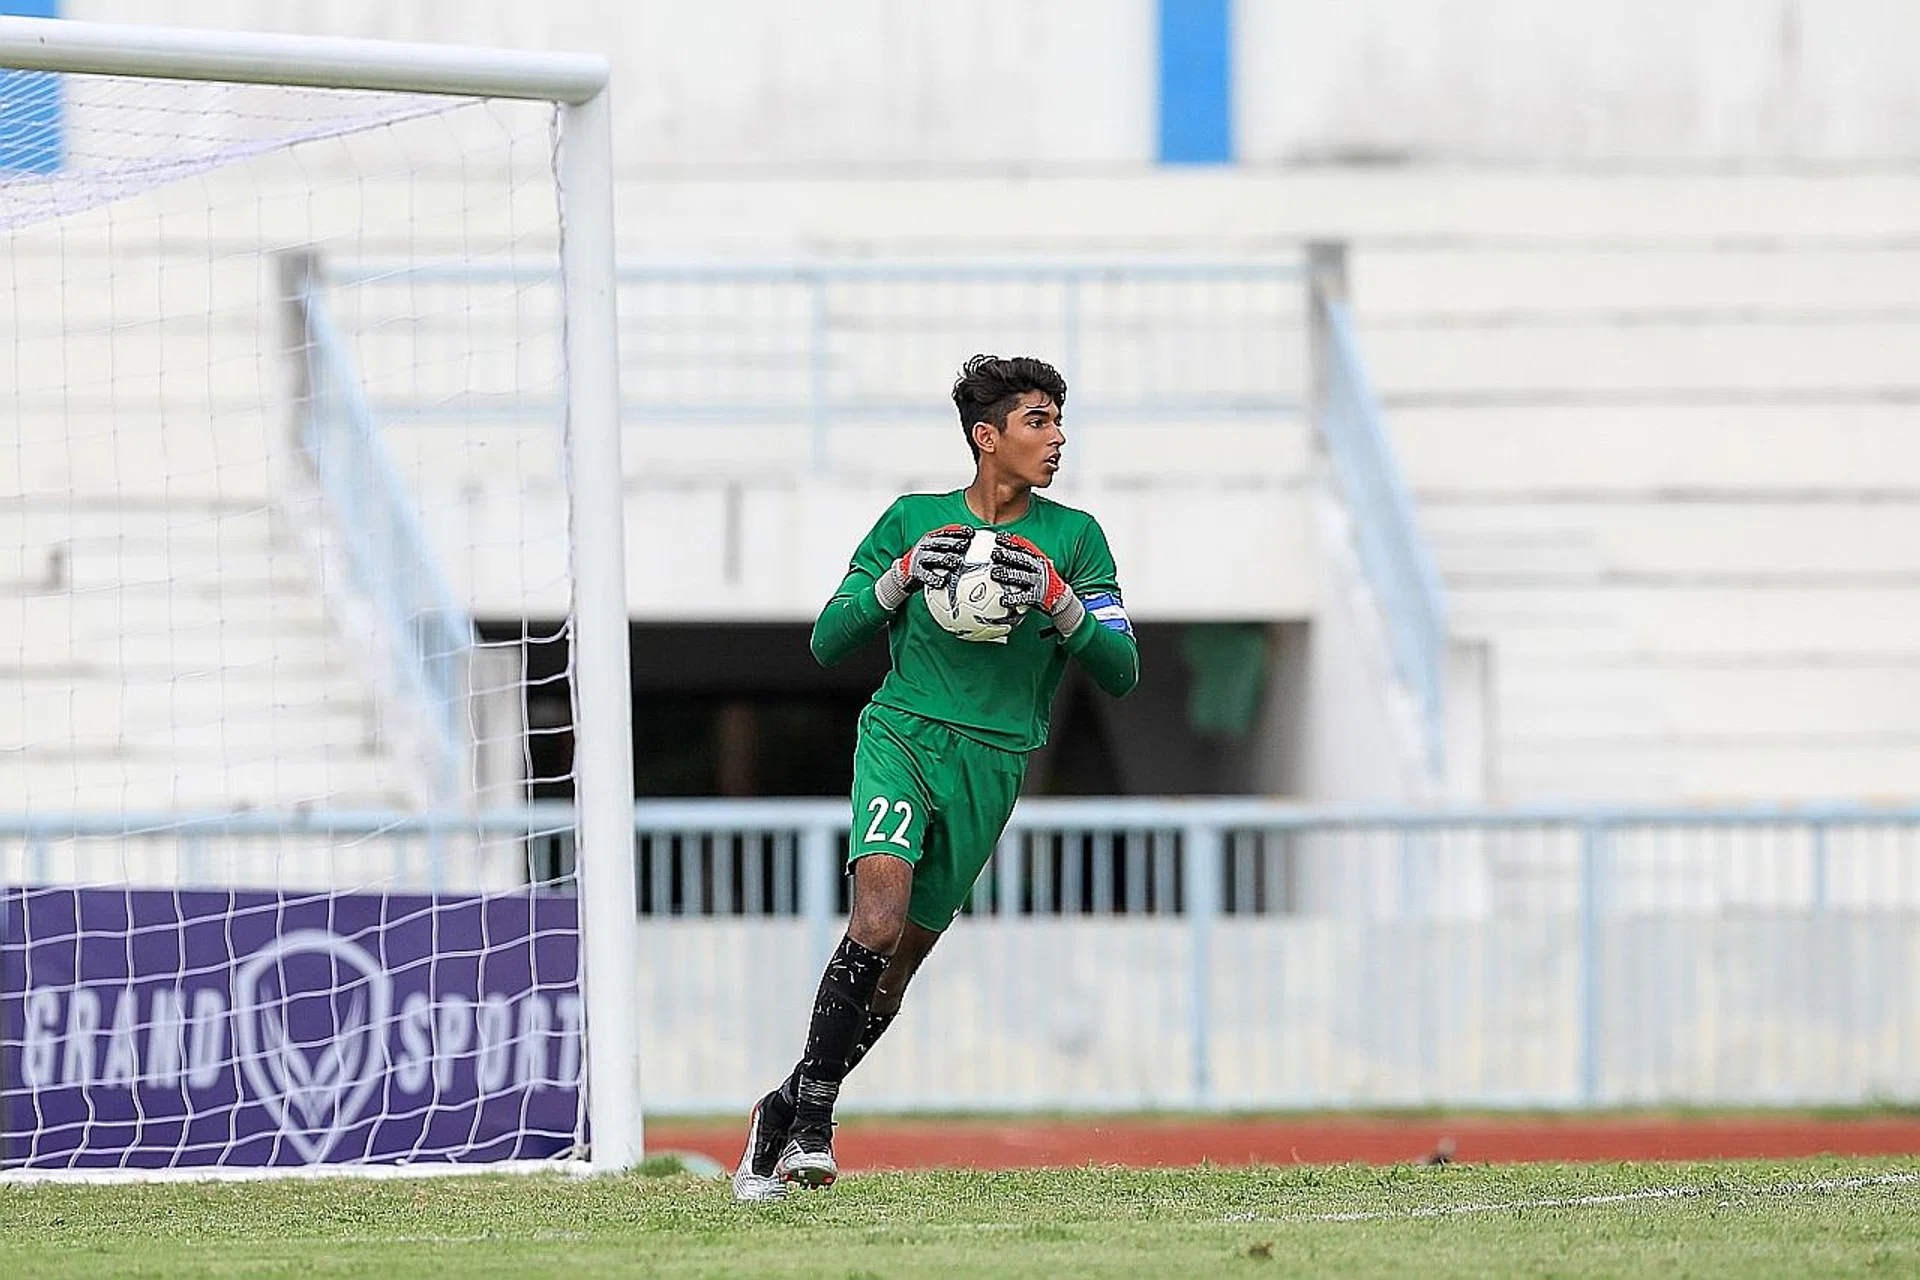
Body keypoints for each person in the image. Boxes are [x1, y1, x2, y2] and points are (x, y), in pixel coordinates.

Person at [732, 353, 1141, 1201]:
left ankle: (783, 1106)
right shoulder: (911, 520)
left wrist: (1062, 602)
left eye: (1061, 420)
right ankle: (813, 1123)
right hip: (903, 735)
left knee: (900, 964)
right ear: (986, 438)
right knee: (875, 919)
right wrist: (900, 576)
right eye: (1039, 421)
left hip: (994, 761)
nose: (1058, 438)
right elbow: (828, 641)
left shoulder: (1077, 537)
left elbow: (1122, 668)